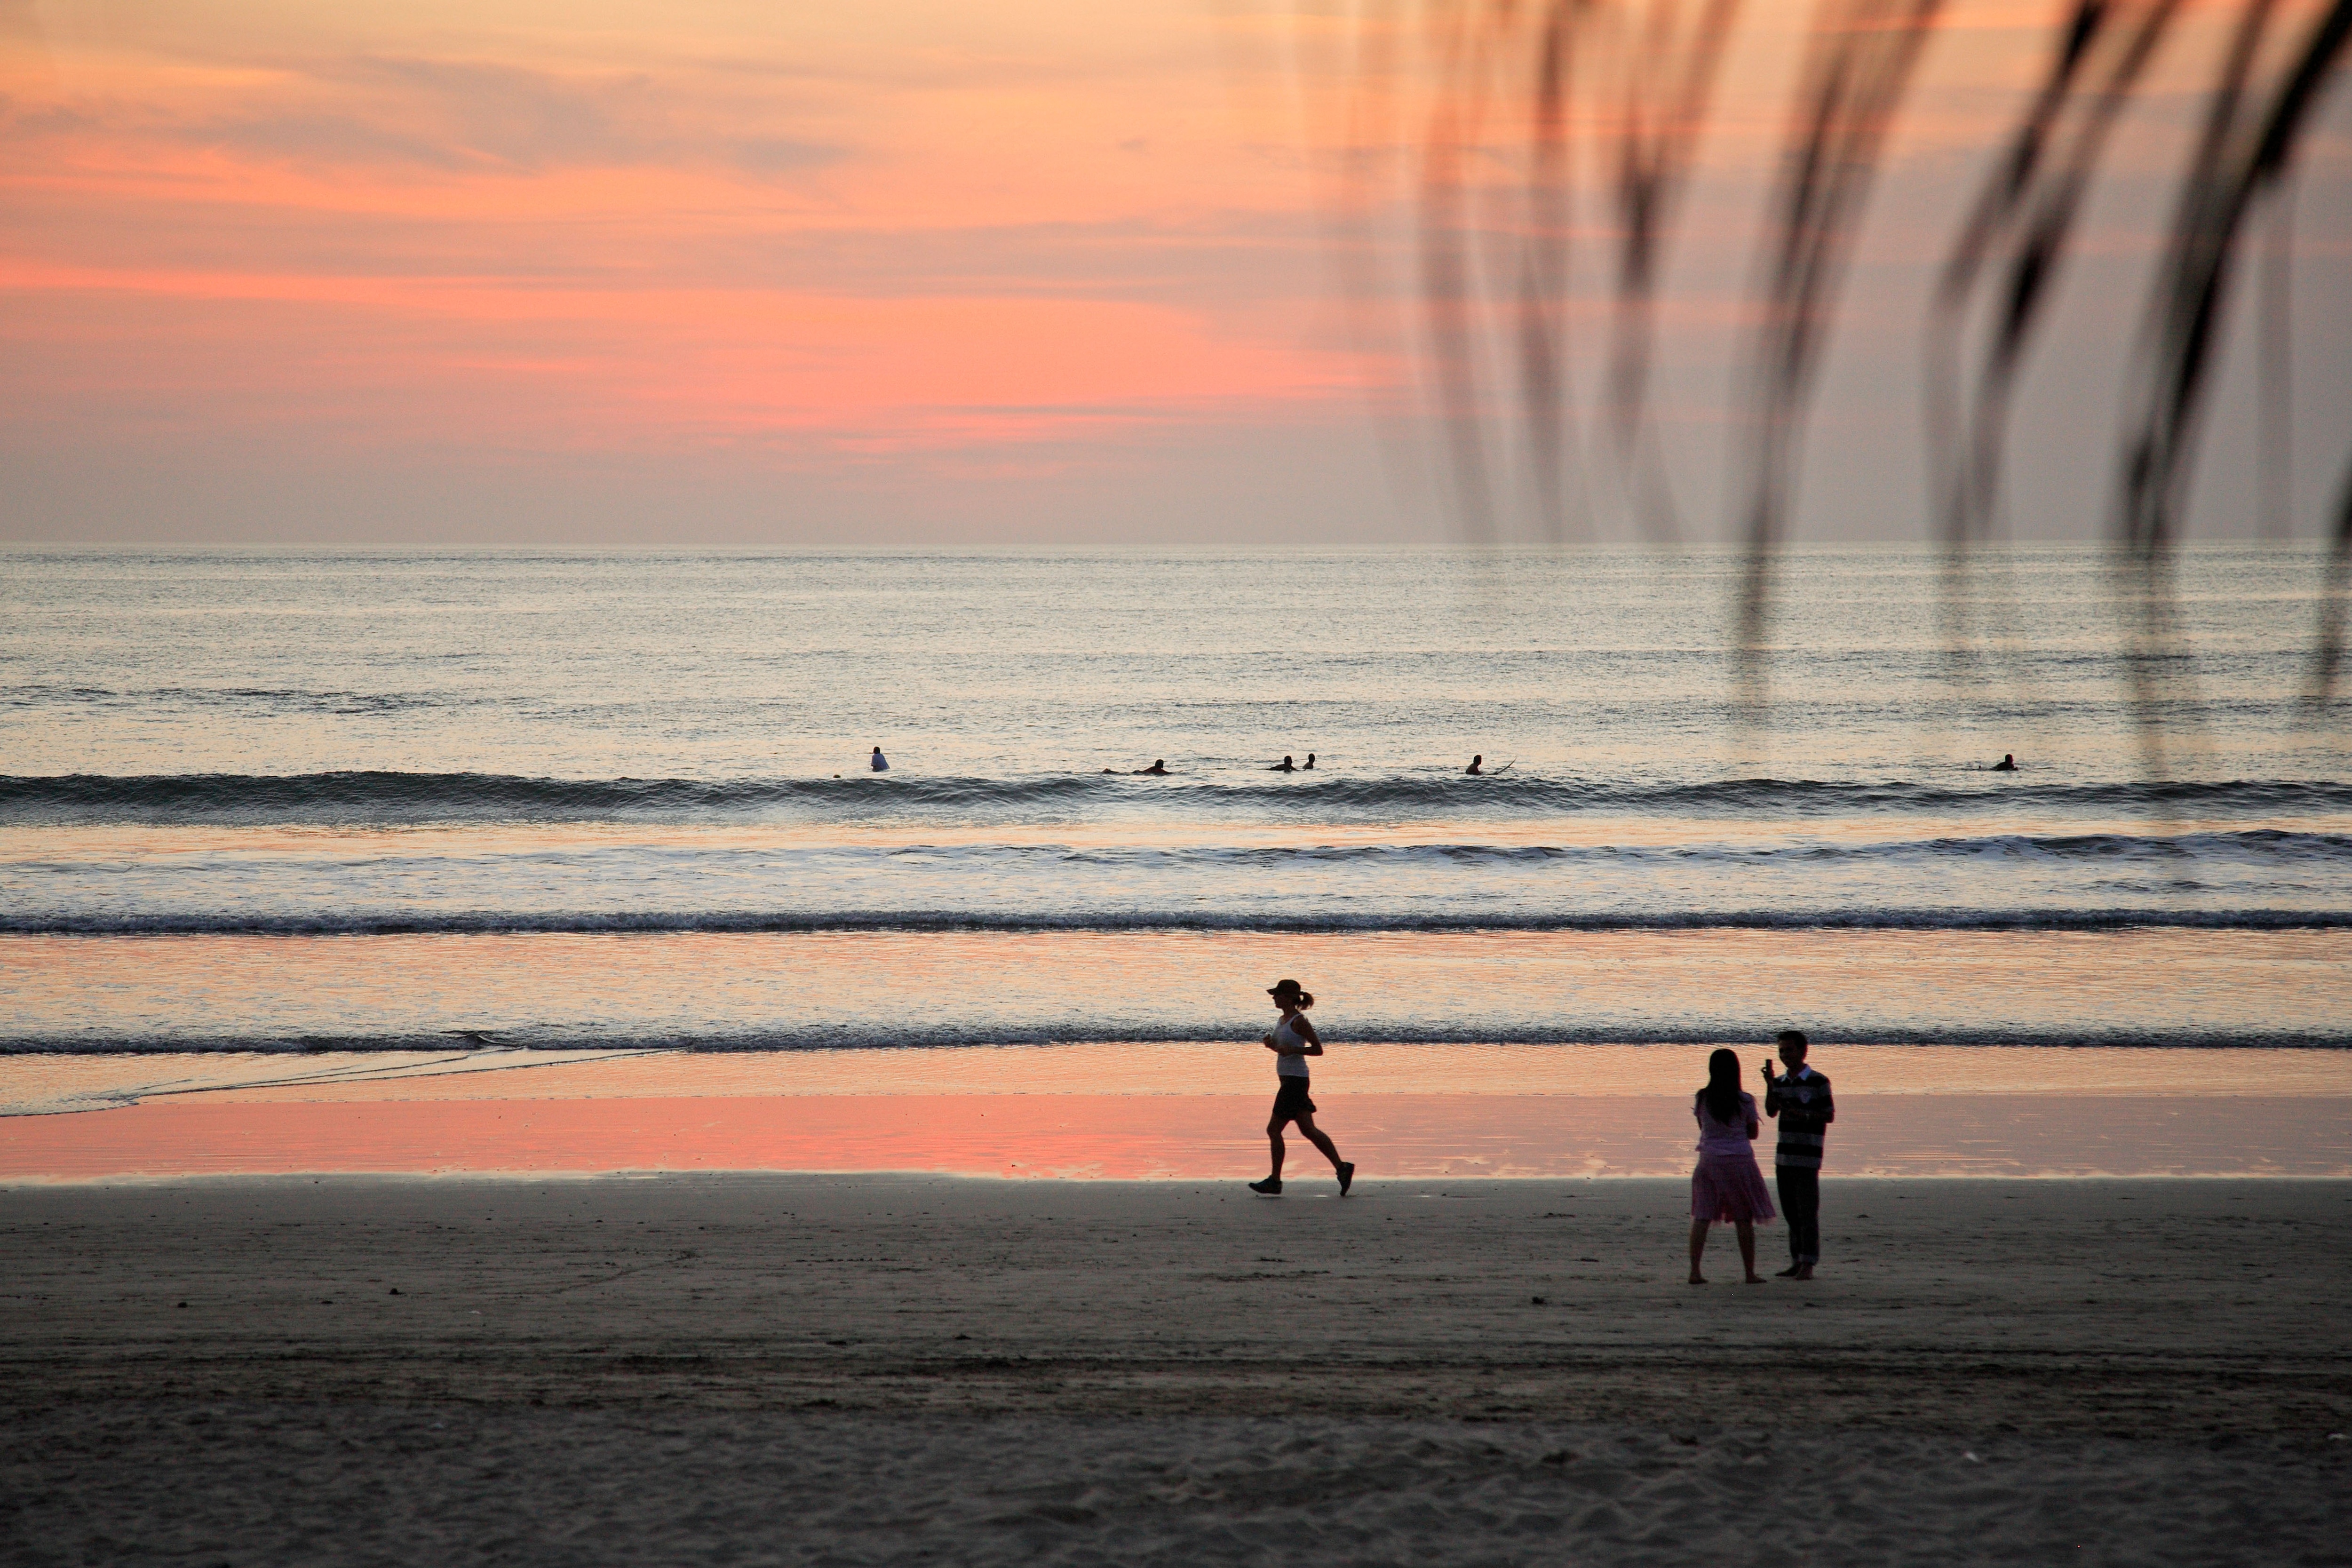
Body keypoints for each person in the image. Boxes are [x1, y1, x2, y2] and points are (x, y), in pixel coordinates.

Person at [1249, 979, 1354, 1197]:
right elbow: (1285, 1050)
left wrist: (1295, 1051)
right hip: (1289, 1080)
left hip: (1295, 1082)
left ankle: (1275, 1181)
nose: (1274, 998)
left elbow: (1318, 1050)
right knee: (1308, 1130)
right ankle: (1342, 1168)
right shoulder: (1282, 1020)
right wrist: (1273, 1047)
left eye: (1278, 995)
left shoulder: (1299, 1022)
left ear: (1289, 998)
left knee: (1273, 1130)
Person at [1688, 1048, 1773, 1283]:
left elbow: (1703, 1126)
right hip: (1739, 1160)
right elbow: (1753, 1133)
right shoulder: (1744, 1100)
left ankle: (1695, 1272)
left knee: (1702, 1216)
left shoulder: (1703, 1098)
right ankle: (1749, 1273)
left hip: (1709, 1159)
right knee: (1743, 1217)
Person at [1761, 1029, 1834, 1279]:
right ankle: (1797, 1259)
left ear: (1803, 1051)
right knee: (1791, 1212)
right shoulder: (1780, 1083)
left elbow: (1829, 1114)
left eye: (1789, 1050)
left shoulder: (1818, 1081)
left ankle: (1808, 1263)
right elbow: (1771, 1111)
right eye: (1781, 1051)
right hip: (1784, 1155)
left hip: (1808, 1155)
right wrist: (1770, 1085)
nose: (1785, 1055)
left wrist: (1803, 1115)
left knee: (1807, 1212)